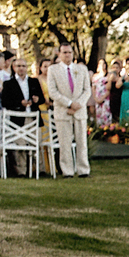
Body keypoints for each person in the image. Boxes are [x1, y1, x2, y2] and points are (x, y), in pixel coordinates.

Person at [46, 43, 91, 177]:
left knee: (82, 142)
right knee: (64, 143)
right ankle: (67, 171)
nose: (68, 55)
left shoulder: (81, 69)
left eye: (70, 52)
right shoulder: (53, 70)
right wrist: (69, 103)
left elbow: (87, 90)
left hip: (79, 110)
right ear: (59, 54)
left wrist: (78, 104)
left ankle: (83, 169)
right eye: (65, 52)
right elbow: (53, 92)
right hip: (63, 111)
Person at [0, 57, 45, 177]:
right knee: (20, 145)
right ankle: (22, 170)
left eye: (23, 66)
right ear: (14, 68)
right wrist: (20, 103)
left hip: (33, 116)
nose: (21, 69)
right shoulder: (9, 84)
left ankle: (39, 169)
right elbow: (5, 102)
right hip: (18, 118)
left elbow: (42, 99)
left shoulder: (33, 81)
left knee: (37, 143)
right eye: (18, 66)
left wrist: (36, 100)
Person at [92, 59, 111, 125]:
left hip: (105, 98)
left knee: (105, 115)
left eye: (104, 64)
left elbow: (109, 88)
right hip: (97, 98)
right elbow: (93, 88)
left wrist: (103, 98)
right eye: (100, 64)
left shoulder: (108, 76)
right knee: (98, 116)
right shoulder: (95, 76)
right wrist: (95, 98)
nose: (102, 65)